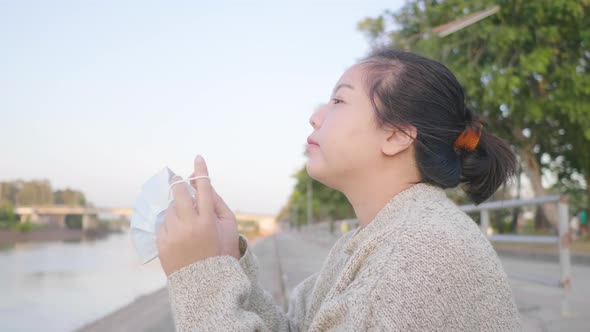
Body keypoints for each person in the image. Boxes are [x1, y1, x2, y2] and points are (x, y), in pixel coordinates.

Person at [156, 50, 522, 331]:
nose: (315, 116)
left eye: (339, 101)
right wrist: (224, 258)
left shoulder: (417, 254)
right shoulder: (386, 235)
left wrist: (200, 276)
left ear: (396, 136)